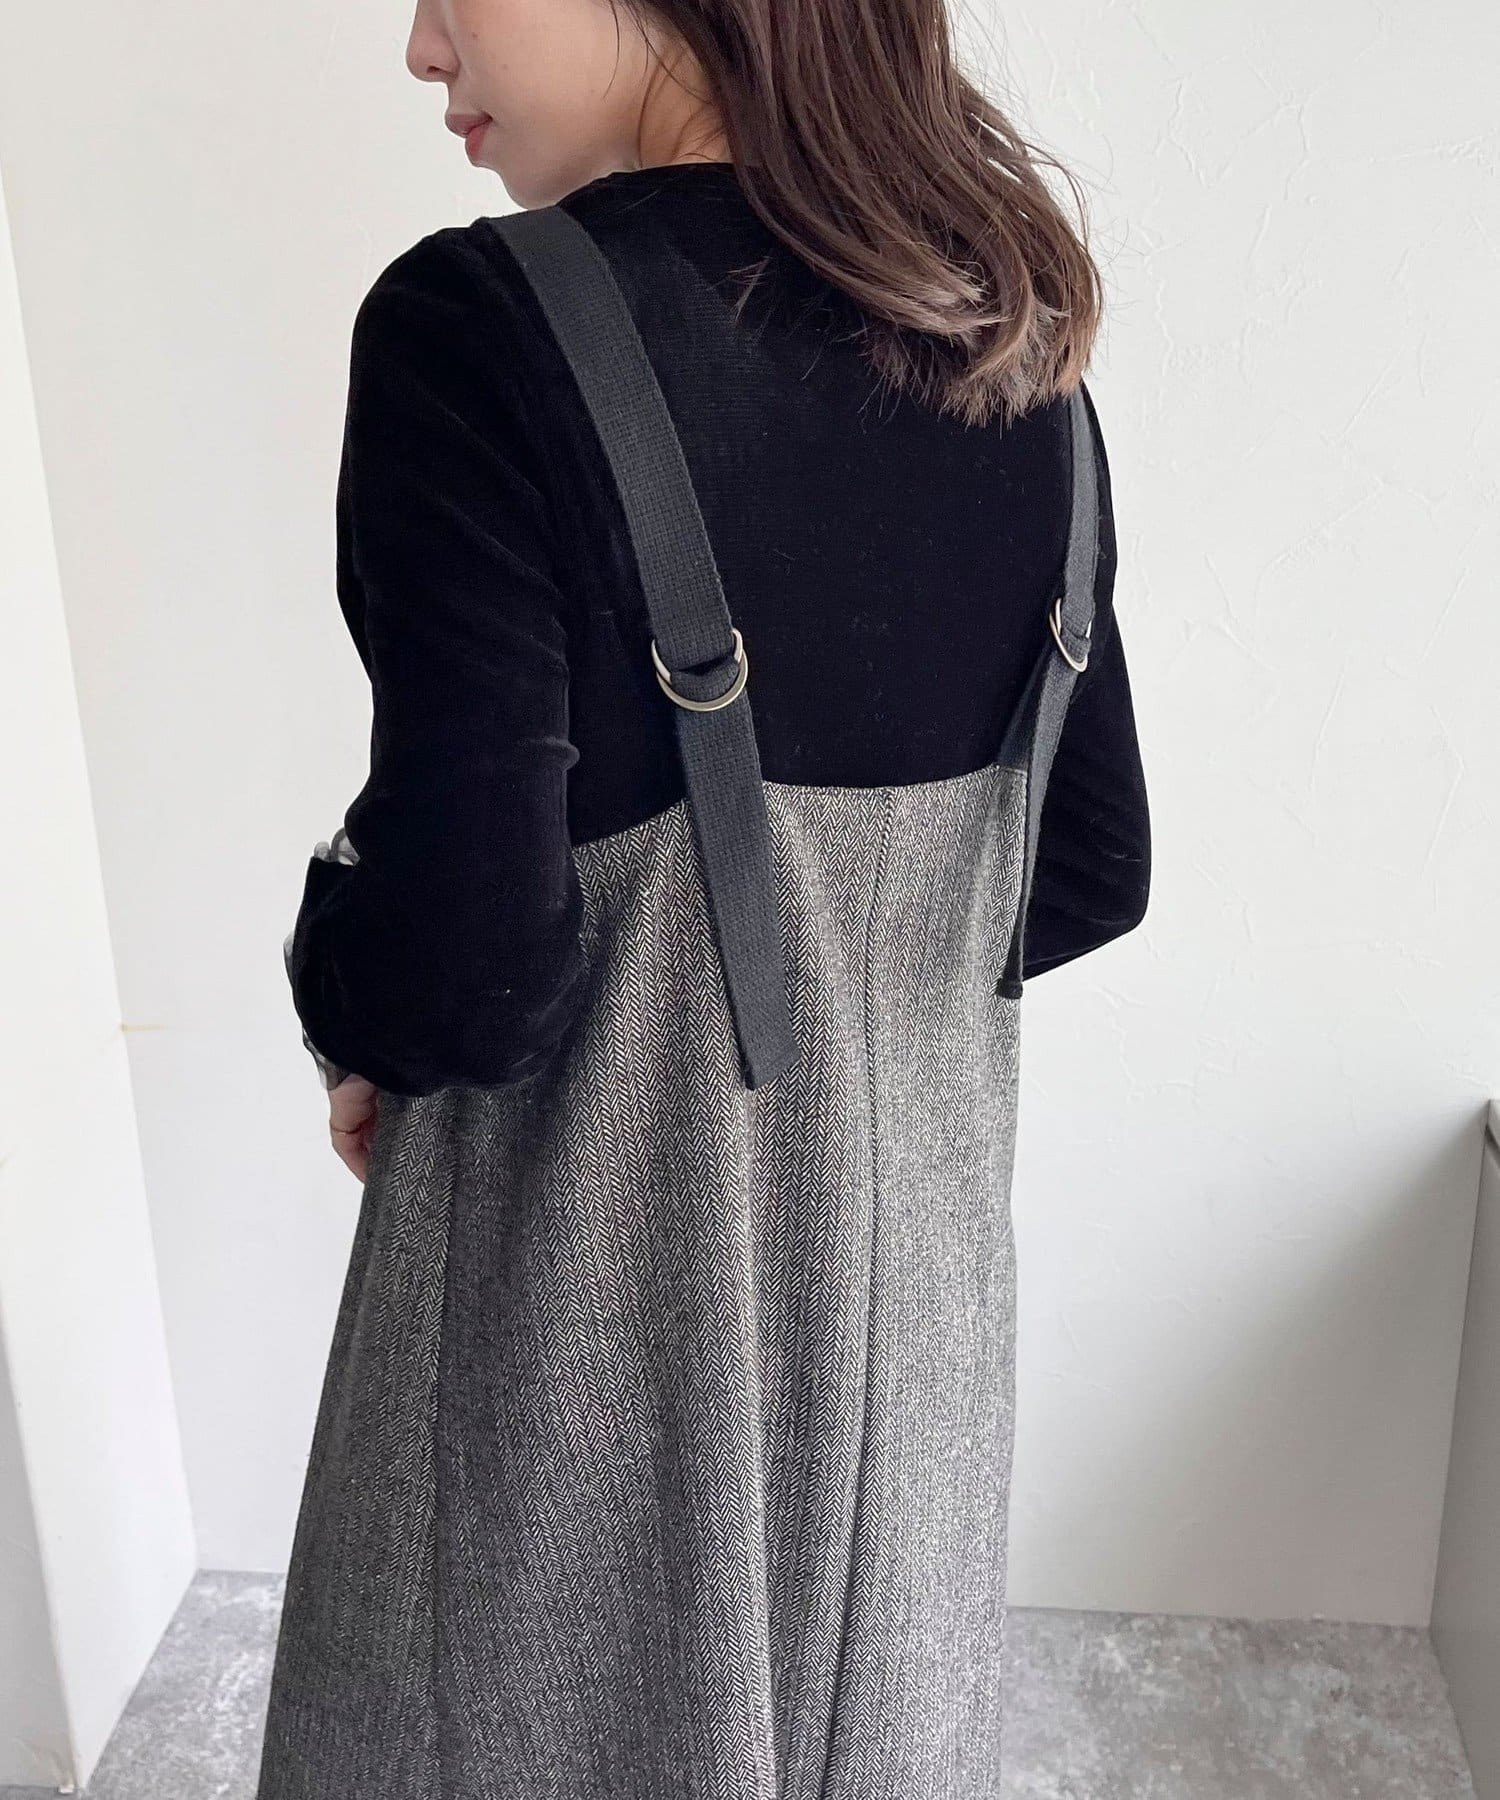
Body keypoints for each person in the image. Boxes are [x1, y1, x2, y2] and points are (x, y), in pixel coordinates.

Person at [258, 0, 1151, 1793]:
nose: (422, 45)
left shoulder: (475, 327)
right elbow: (1086, 871)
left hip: (583, 1352)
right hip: (913, 1356)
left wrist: (349, 985)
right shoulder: (1011, 351)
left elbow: (465, 972)